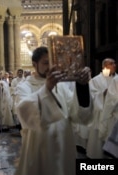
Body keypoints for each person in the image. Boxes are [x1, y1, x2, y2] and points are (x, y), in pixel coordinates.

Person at [15, 46, 92, 175]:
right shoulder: (24, 86)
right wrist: (47, 88)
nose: (50, 67)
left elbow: (76, 114)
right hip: (39, 147)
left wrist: (82, 86)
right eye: (46, 63)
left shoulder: (61, 85)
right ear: (34, 64)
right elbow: (24, 111)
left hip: (64, 144)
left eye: (53, 63)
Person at [86, 58, 116, 158]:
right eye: (111, 64)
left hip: (113, 115)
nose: (114, 65)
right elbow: (91, 96)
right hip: (100, 114)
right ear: (104, 66)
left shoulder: (117, 79)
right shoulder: (96, 80)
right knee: (98, 144)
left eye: (114, 63)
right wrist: (103, 94)